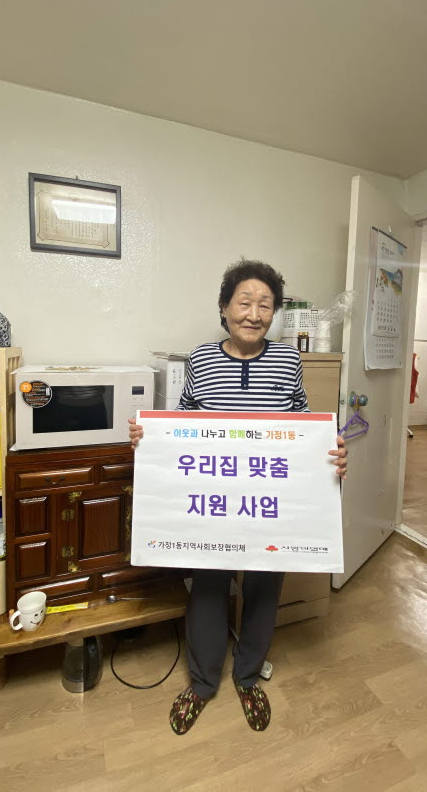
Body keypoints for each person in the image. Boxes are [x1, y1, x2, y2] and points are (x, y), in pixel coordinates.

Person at [129, 259, 347, 735]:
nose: (254, 313)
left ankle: (247, 677)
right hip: (213, 503)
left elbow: (304, 427)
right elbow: (182, 423)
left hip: (270, 502)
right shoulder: (202, 359)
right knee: (208, 588)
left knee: (264, 589)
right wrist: (150, 437)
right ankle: (202, 684)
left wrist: (330, 452)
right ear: (225, 308)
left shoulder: (288, 361)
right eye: (244, 302)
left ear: (274, 314)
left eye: (265, 305)